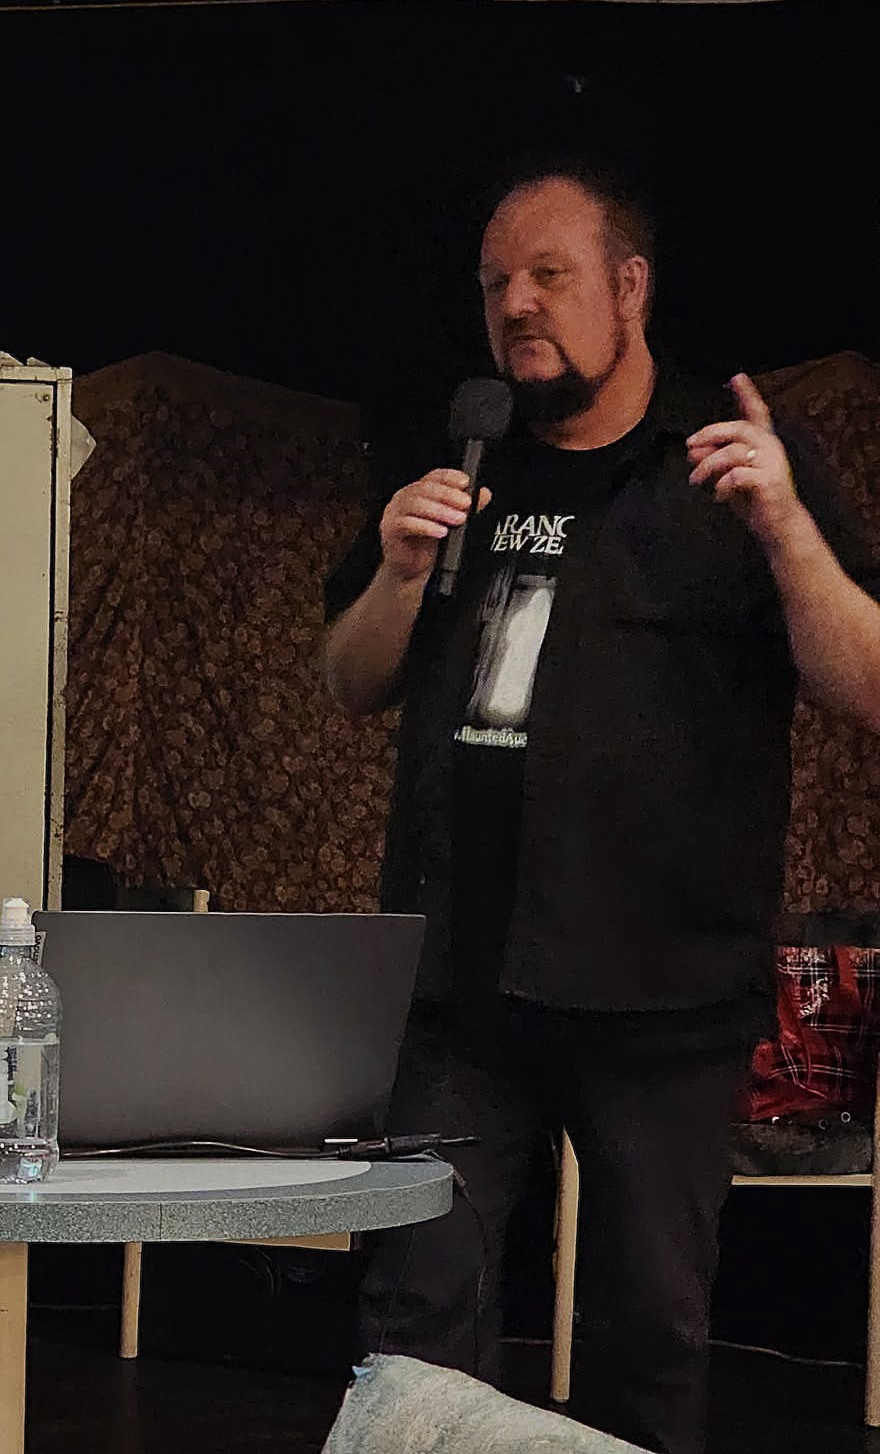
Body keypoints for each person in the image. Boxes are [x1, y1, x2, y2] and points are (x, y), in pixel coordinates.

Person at [321, 161, 880, 1454]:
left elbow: (864, 684)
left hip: (661, 992)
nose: (515, 304)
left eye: (547, 276)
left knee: (650, 1341)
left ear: (629, 288)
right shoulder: (458, 454)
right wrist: (397, 577)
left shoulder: (728, 460)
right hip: (461, 985)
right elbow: (348, 680)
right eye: (493, 285)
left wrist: (787, 531)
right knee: (415, 1326)